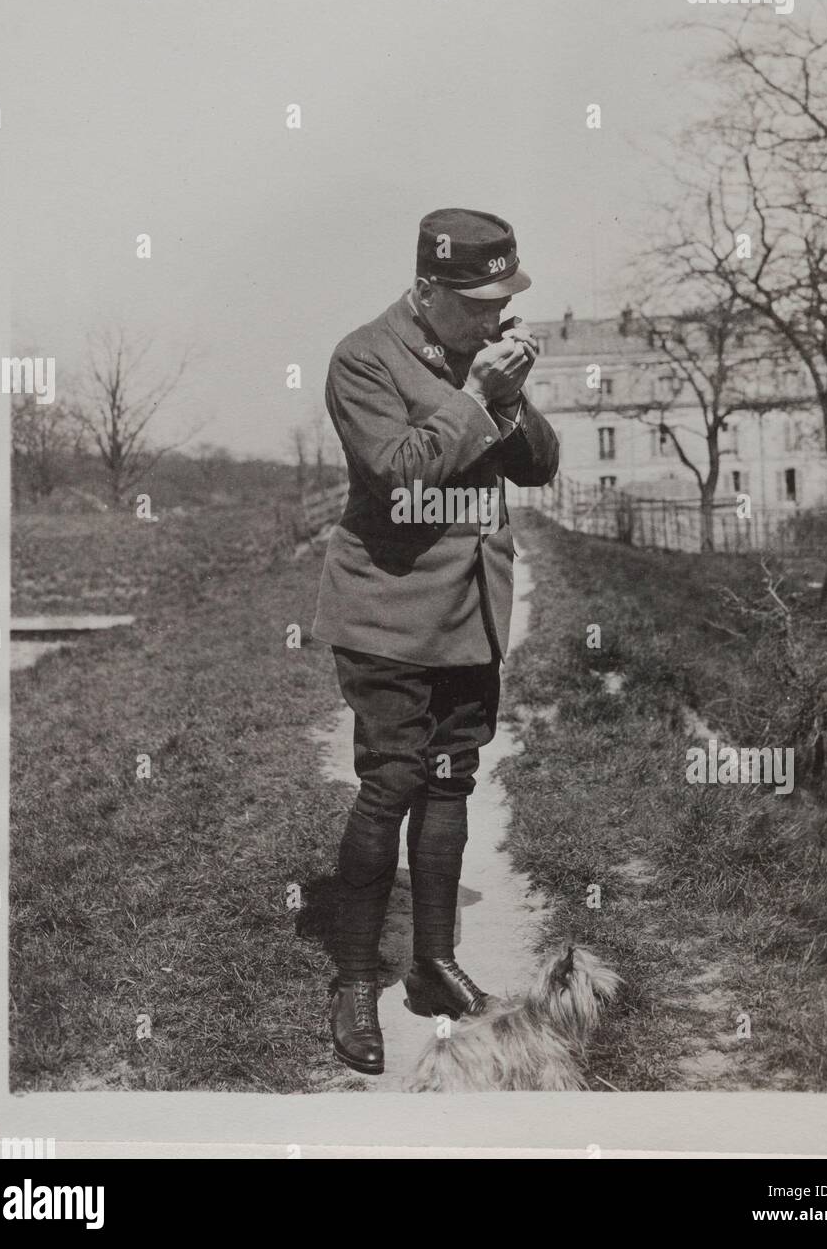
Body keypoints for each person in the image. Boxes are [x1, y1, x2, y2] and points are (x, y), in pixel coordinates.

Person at [311, 208, 559, 1074]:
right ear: (427, 291)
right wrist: (477, 396)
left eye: (503, 301)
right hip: (388, 614)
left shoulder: (481, 359)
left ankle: (432, 963)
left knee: (452, 782)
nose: (494, 319)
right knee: (391, 786)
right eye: (478, 302)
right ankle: (352, 978)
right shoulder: (363, 357)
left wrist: (514, 395)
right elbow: (400, 472)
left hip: (469, 616)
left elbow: (538, 465)